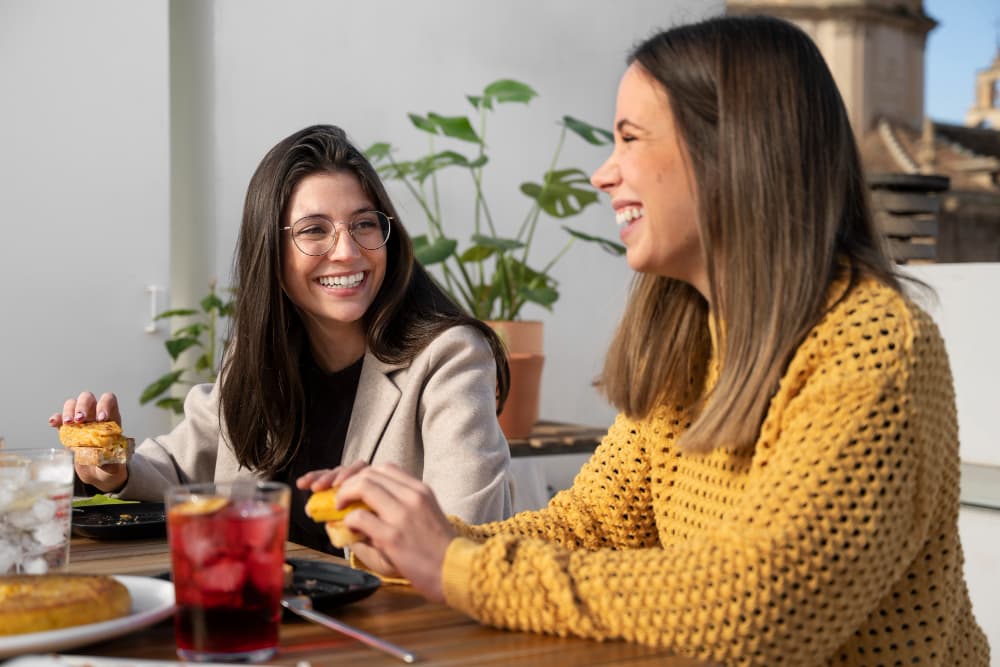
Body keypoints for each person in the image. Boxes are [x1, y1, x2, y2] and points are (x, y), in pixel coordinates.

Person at [295, 16, 991, 665]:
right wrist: (422, 544)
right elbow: (595, 522)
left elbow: (762, 603)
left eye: (630, 138)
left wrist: (458, 565)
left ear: (732, 151)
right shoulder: (686, 337)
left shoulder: (872, 348)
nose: (605, 172)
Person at [51, 124, 513, 557]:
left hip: (394, 627)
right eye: (314, 230)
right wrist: (110, 463)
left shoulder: (450, 357)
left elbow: (460, 541)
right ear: (269, 251)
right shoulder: (262, 355)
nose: (348, 252)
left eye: (364, 224)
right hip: (271, 611)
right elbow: (181, 464)